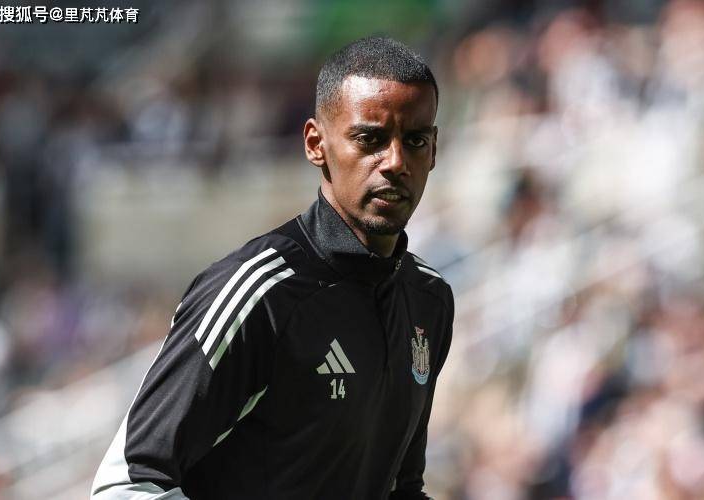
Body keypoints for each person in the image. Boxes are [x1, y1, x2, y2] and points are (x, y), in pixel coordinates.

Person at [91, 35, 453, 500]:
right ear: (316, 144)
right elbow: (127, 484)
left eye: (415, 141)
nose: (396, 162)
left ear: (434, 150)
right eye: (370, 139)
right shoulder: (259, 294)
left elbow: (402, 487)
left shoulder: (429, 299)